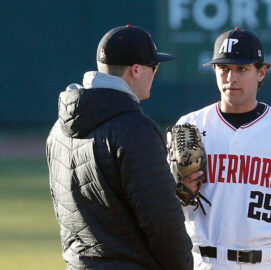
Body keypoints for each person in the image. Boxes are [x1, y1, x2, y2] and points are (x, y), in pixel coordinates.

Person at [46, 25, 194, 270]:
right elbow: (162, 225)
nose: (154, 74)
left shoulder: (58, 130)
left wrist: (171, 193)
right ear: (136, 70)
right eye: (153, 67)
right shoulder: (135, 129)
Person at [175, 27, 271, 269]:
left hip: (268, 263)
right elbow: (163, 210)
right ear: (214, 71)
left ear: (261, 72)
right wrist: (178, 193)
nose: (231, 77)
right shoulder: (190, 127)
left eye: (242, 69)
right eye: (224, 68)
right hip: (207, 262)